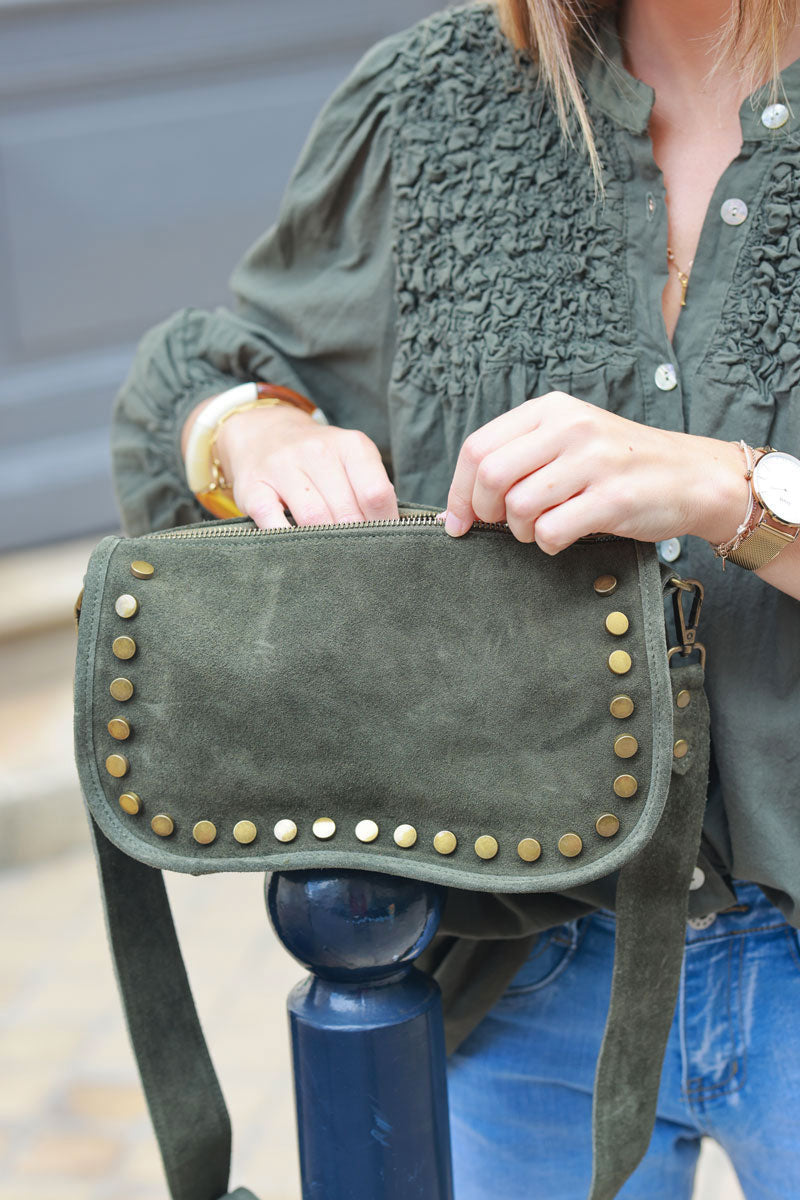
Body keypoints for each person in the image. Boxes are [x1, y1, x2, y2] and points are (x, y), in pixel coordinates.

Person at [112, 0, 800, 1194]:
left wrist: (730, 492)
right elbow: (211, 376)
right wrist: (259, 439)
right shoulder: (432, 101)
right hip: (522, 969)